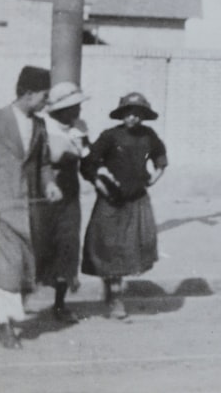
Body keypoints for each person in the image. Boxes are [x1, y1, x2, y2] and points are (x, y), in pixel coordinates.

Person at [80, 92, 168, 320]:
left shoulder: (149, 136)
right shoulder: (110, 136)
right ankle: (114, 297)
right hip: (111, 201)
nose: (133, 118)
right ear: (121, 114)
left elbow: (160, 157)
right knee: (109, 248)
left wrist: (153, 177)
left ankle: (114, 294)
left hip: (136, 200)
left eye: (138, 114)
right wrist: (100, 182)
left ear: (144, 116)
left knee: (130, 248)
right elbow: (89, 164)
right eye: (129, 113)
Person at [0, 65, 52, 349]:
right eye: (44, 94)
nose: (46, 101)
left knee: (24, 267)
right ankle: (5, 325)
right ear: (28, 93)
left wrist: (49, 183)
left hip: (28, 210)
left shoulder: (39, 125)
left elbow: (44, 163)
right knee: (10, 265)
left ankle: (1, 313)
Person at [35, 81, 91, 323]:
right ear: (58, 109)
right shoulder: (42, 127)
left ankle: (59, 304)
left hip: (69, 195)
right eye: (72, 107)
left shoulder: (80, 127)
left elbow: (87, 160)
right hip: (41, 195)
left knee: (67, 247)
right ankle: (16, 301)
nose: (77, 112)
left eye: (78, 106)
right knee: (36, 246)